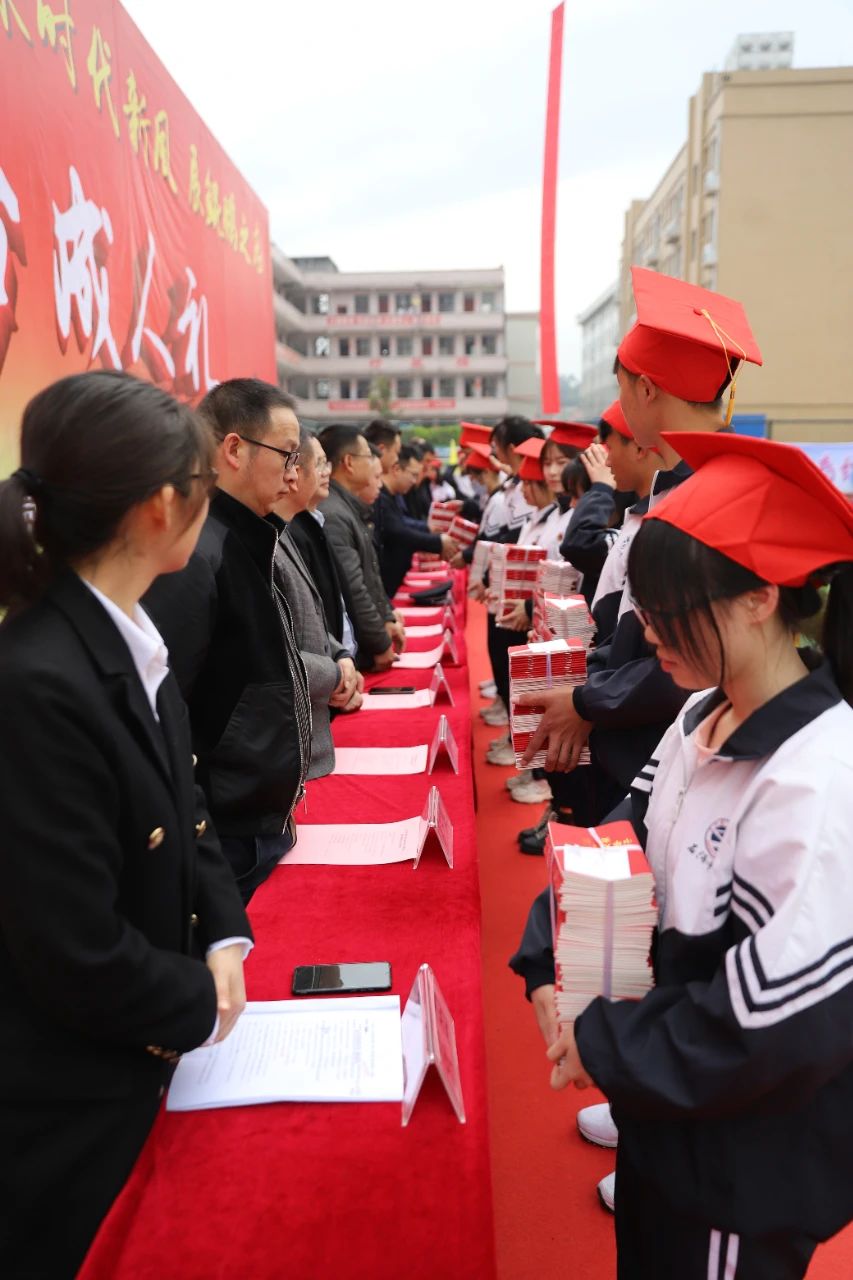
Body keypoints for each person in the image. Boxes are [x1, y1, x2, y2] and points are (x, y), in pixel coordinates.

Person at [548, 432, 853, 1279]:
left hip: (739, 1162)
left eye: (668, 611)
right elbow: (620, 838)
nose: (647, 637)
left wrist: (600, 1042)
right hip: (673, 1114)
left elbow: (773, 1028)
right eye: (641, 610)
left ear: (758, 598)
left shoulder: (819, 779)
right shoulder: (696, 719)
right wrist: (549, 953)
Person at [0, 371, 251, 1277]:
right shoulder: (37, 682)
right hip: (68, 1111)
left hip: (136, 1058)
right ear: (158, 506)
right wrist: (200, 1000)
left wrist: (224, 933)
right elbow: (71, 948)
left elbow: (186, 814)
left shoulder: (125, 637)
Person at [144, 378, 311, 905]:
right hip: (224, 831)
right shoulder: (197, 551)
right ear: (233, 449)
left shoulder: (246, 536)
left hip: (255, 819)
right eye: (286, 455)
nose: (293, 474)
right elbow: (167, 709)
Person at [272, 423, 363, 779]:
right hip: (297, 725)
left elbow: (317, 612)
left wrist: (342, 655)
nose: (291, 475)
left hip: (322, 702)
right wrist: (336, 672)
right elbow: (273, 652)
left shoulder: (289, 528)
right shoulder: (273, 534)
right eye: (288, 462)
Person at [318, 424, 400, 671]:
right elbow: (355, 589)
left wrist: (386, 618)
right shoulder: (334, 514)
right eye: (368, 456)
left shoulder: (347, 508)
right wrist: (380, 641)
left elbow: (370, 577)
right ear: (349, 463)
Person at [287, 434, 359, 659]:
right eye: (319, 463)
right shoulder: (292, 530)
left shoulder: (313, 522)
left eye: (326, 463)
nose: (326, 471)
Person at [375, 444, 458, 597]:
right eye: (413, 475)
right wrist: (437, 542)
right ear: (397, 469)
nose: (415, 481)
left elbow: (401, 525)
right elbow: (398, 531)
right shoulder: (380, 497)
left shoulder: (391, 496)